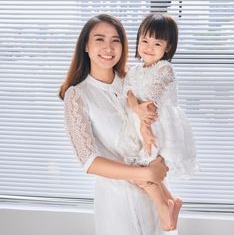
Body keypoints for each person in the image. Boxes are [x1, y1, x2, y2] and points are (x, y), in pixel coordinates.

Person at [59, 14, 169, 235]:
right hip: (116, 203)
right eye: (99, 39)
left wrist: (159, 164)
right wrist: (147, 175)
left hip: (155, 198)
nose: (108, 47)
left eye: (115, 40)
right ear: (86, 46)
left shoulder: (135, 83)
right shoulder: (78, 95)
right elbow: (89, 161)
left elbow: (160, 126)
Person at [118, 13, 198, 231]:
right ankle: (172, 200)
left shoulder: (165, 69)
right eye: (144, 41)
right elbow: (128, 92)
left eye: (157, 43)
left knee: (144, 170)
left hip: (158, 127)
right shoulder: (134, 70)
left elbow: (152, 100)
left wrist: (144, 125)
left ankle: (164, 207)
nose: (149, 47)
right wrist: (135, 107)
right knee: (140, 171)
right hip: (142, 124)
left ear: (168, 46)